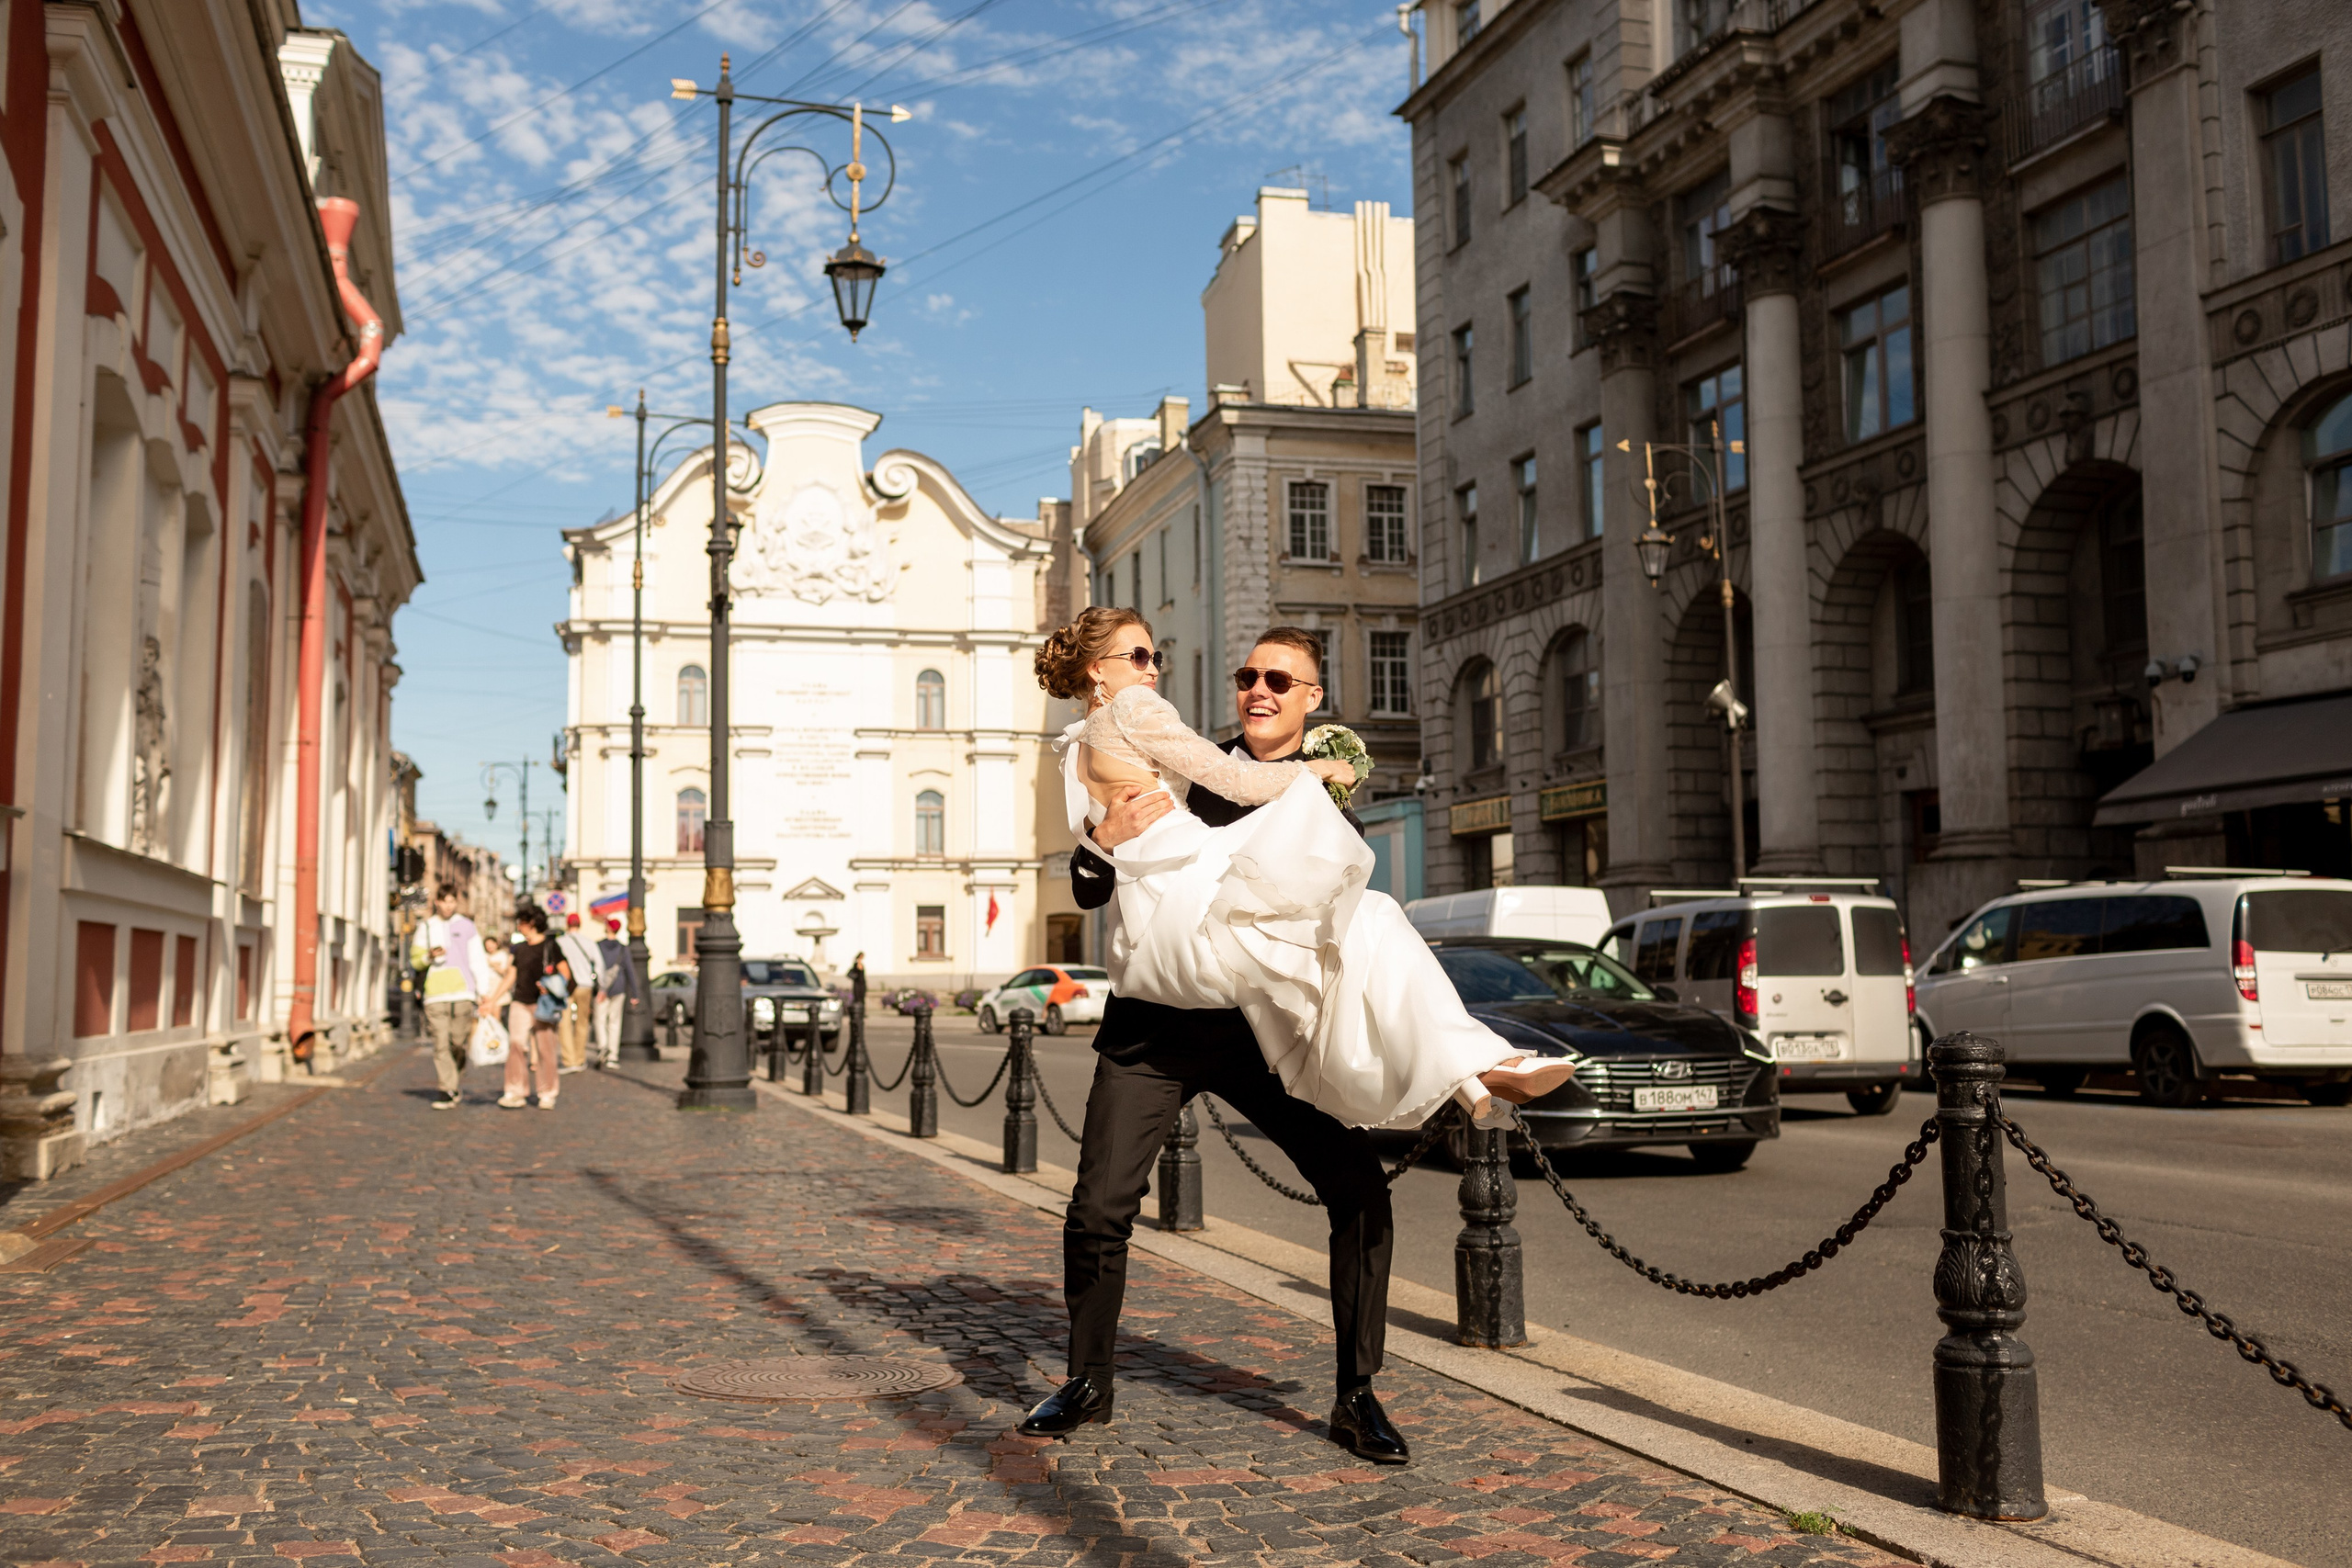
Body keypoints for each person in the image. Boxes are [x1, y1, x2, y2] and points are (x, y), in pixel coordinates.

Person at [1019, 616, 1566, 1462]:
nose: (1258, 690)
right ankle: (1088, 1381)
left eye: (1278, 680)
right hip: (1155, 1026)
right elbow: (1093, 882)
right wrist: (1101, 841)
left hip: (1260, 1031)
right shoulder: (1187, 757)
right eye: (1248, 677)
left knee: (1360, 1189)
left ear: (1312, 699)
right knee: (1096, 1209)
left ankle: (1357, 1394)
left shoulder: (1317, 799)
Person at [483, 904, 569, 1110]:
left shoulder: (551, 946)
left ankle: (547, 1093)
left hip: (543, 1004)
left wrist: (551, 986)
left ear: (531, 923)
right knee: (516, 1045)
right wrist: (492, 1000)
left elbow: (565, 973)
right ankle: (515, 1091)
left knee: (545, 1049)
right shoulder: (519, 948)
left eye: (521, 922)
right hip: (520, 1002)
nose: (518, 927)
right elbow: (510, 976)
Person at [410, 883, 485, 1109]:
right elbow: (416, 961)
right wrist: (429, 956)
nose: (448, 906)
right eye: (444, 902)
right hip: (435, 994)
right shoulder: (426, 927)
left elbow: (477, 959)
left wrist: (483, 991)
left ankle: (455, 1075)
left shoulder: (467, 926)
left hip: (463, 992)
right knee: (440, 1043)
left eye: (452, 901)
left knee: (458, 1042)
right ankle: (446, 1089)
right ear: (437, 903)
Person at [555, 912, 599, 1075]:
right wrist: (601, 987)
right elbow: (599, 965)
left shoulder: (560, 942)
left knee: (564, 1022)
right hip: (585, 985)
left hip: (566, 986)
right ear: (580, 924)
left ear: (567, 925)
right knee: (582, 1023)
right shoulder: (588, 942)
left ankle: (569, 1060)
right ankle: (580, 1059)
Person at [593, 918, 639, 1067]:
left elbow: (594, 967)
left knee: (600, 1019)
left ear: (608, 928)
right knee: (614, 1022)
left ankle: (602, 1046)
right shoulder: (623, 948)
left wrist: (599, 987)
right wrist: (635, 993)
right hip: (618, 987)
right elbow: (630, 971)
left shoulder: (598, 946)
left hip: (601, 988)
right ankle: (613, 1056)